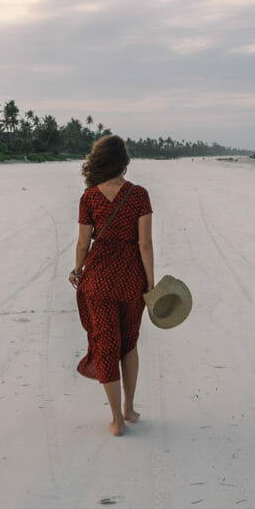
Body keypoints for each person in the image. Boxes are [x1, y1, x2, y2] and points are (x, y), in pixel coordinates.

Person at [69, 133, 155, 436]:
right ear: (124, 162)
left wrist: (77, 269)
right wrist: (150, 283)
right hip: (131, 279)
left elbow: (83, 243)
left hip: (99, 281)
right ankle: (129, 408)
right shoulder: (139, 195)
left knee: (106, 346)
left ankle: (116, 420)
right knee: (129, 344)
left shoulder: (89, 197)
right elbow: (145, 244)